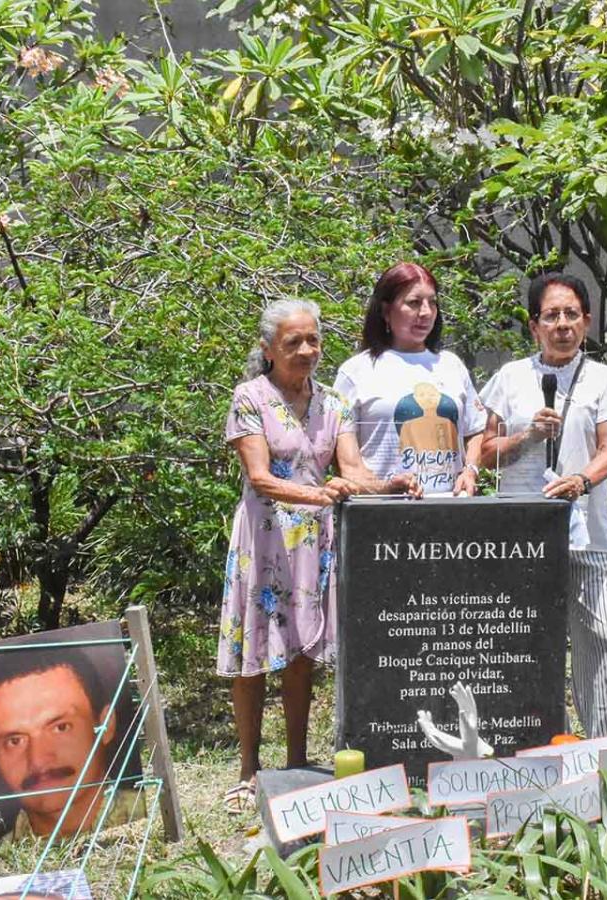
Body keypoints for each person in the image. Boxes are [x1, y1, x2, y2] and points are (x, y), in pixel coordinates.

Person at [219, 298, 419, 812]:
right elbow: (260, 478)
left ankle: (296, 764)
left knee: (302, 653)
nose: (307, 350)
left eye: (313, 340)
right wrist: (317, 494)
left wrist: (386, 484)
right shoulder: (250, 398)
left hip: (314, 546)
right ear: (268, 350)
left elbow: (350, 470)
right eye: (294, 342)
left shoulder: (334, 403)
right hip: (265, 541)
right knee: (255, 657)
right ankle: (248, 769)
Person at [479, 272, 607, 738]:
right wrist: (528, 435)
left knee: (604, 633)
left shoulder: (605, 380)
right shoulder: (509, 379)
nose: (562, 324)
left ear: (586, 322)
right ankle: (531, 741)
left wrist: (579, 480)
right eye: (551, 315)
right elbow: (484, 452)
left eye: (572, 314)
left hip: (586, 531)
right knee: (525, 639)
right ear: (534, 326)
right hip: (520, 535)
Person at [334, 262, 486, 495]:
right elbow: (346, 462)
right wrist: (383, 488)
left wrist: (470, 470)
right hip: (381, 512)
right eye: (414, 303)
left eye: (432, 302)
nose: (425, 312)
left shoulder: (451, 365)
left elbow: (475, 430)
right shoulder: (356, 371)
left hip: (450, 508)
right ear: (386, 311)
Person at [0, 648, 143, 843]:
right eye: (15, 741)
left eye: (60, 727)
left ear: (106, 725)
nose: (38, 760)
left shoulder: (149, 822)